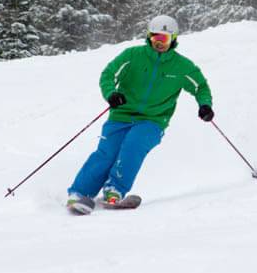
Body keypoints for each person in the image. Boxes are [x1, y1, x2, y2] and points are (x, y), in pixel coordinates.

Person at [66, 15, 213, 214]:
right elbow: (108, 74)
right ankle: (79, 194)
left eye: (165, 39)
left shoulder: (182, 66)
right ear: (149, 36)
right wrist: (111, 94)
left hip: (153, 120)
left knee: (133, 146)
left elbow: (200, 87)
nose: (159, 43)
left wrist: (204, 105)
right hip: (121, 115)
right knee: (107, 153)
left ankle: (114, 190)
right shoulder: (132, 56)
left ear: (174, 39)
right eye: (156, 38)